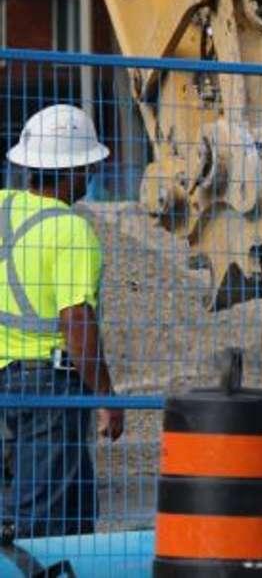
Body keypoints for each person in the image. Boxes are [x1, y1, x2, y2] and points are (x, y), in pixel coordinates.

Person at [0, 104, 123, 537]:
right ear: (72, 171)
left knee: (42, 506)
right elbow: (78, 325)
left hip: (5, 381)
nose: (90, 176)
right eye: (87, 167)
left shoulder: (2, 208)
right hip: (48, 388)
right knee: (45, 518)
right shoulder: (72, 231)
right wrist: (107, 396)